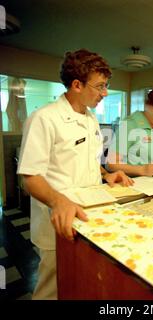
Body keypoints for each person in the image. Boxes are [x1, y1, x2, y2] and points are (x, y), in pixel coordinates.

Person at [17, 49, 133, 300]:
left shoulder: (91, 119)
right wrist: (59, 201)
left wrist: (105, 175)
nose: (105, 93)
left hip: (89, 215)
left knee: (78, 284)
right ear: (77, 84)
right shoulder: (44, 118)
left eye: (106, 86)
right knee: (52, 289)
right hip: (58, 221)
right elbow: (30, 177)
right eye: (100, 86)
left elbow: (88, 158)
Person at [107, 84, 153, 176]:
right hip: (133, 183)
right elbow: (111, 164)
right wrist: (142, 169)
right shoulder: (129, 125)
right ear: (148, 105)